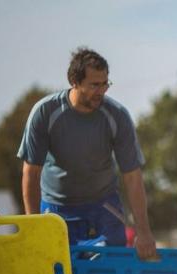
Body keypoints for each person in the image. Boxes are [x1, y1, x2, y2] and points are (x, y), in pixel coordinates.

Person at [17, 47, 157, 259]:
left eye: (105, 84)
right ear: (75, 81)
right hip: (56, 206)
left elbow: (132, 176)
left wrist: (143, 231)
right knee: (58, 265)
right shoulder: (45, 113)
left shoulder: (117, 116)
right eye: (94, 85)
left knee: (113, 261)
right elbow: (31, 173)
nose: (100, 91)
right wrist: (33, 226)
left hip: (103, 203)